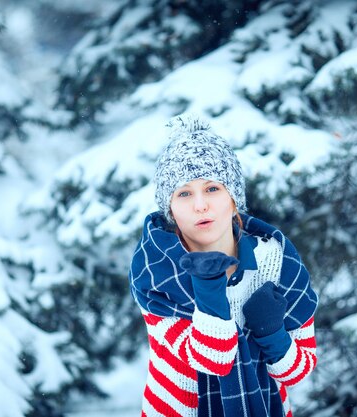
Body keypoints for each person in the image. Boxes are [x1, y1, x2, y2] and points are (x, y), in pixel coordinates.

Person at [129, 114, 318, 417]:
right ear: (171, 209)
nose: (200, 205)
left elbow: (298, 371)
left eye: (212, 189)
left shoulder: (278, 262)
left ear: (233, 198)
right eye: (184, 193)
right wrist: (209, 287)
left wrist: (272, 333)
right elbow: (213, 361)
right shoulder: (157, 271)